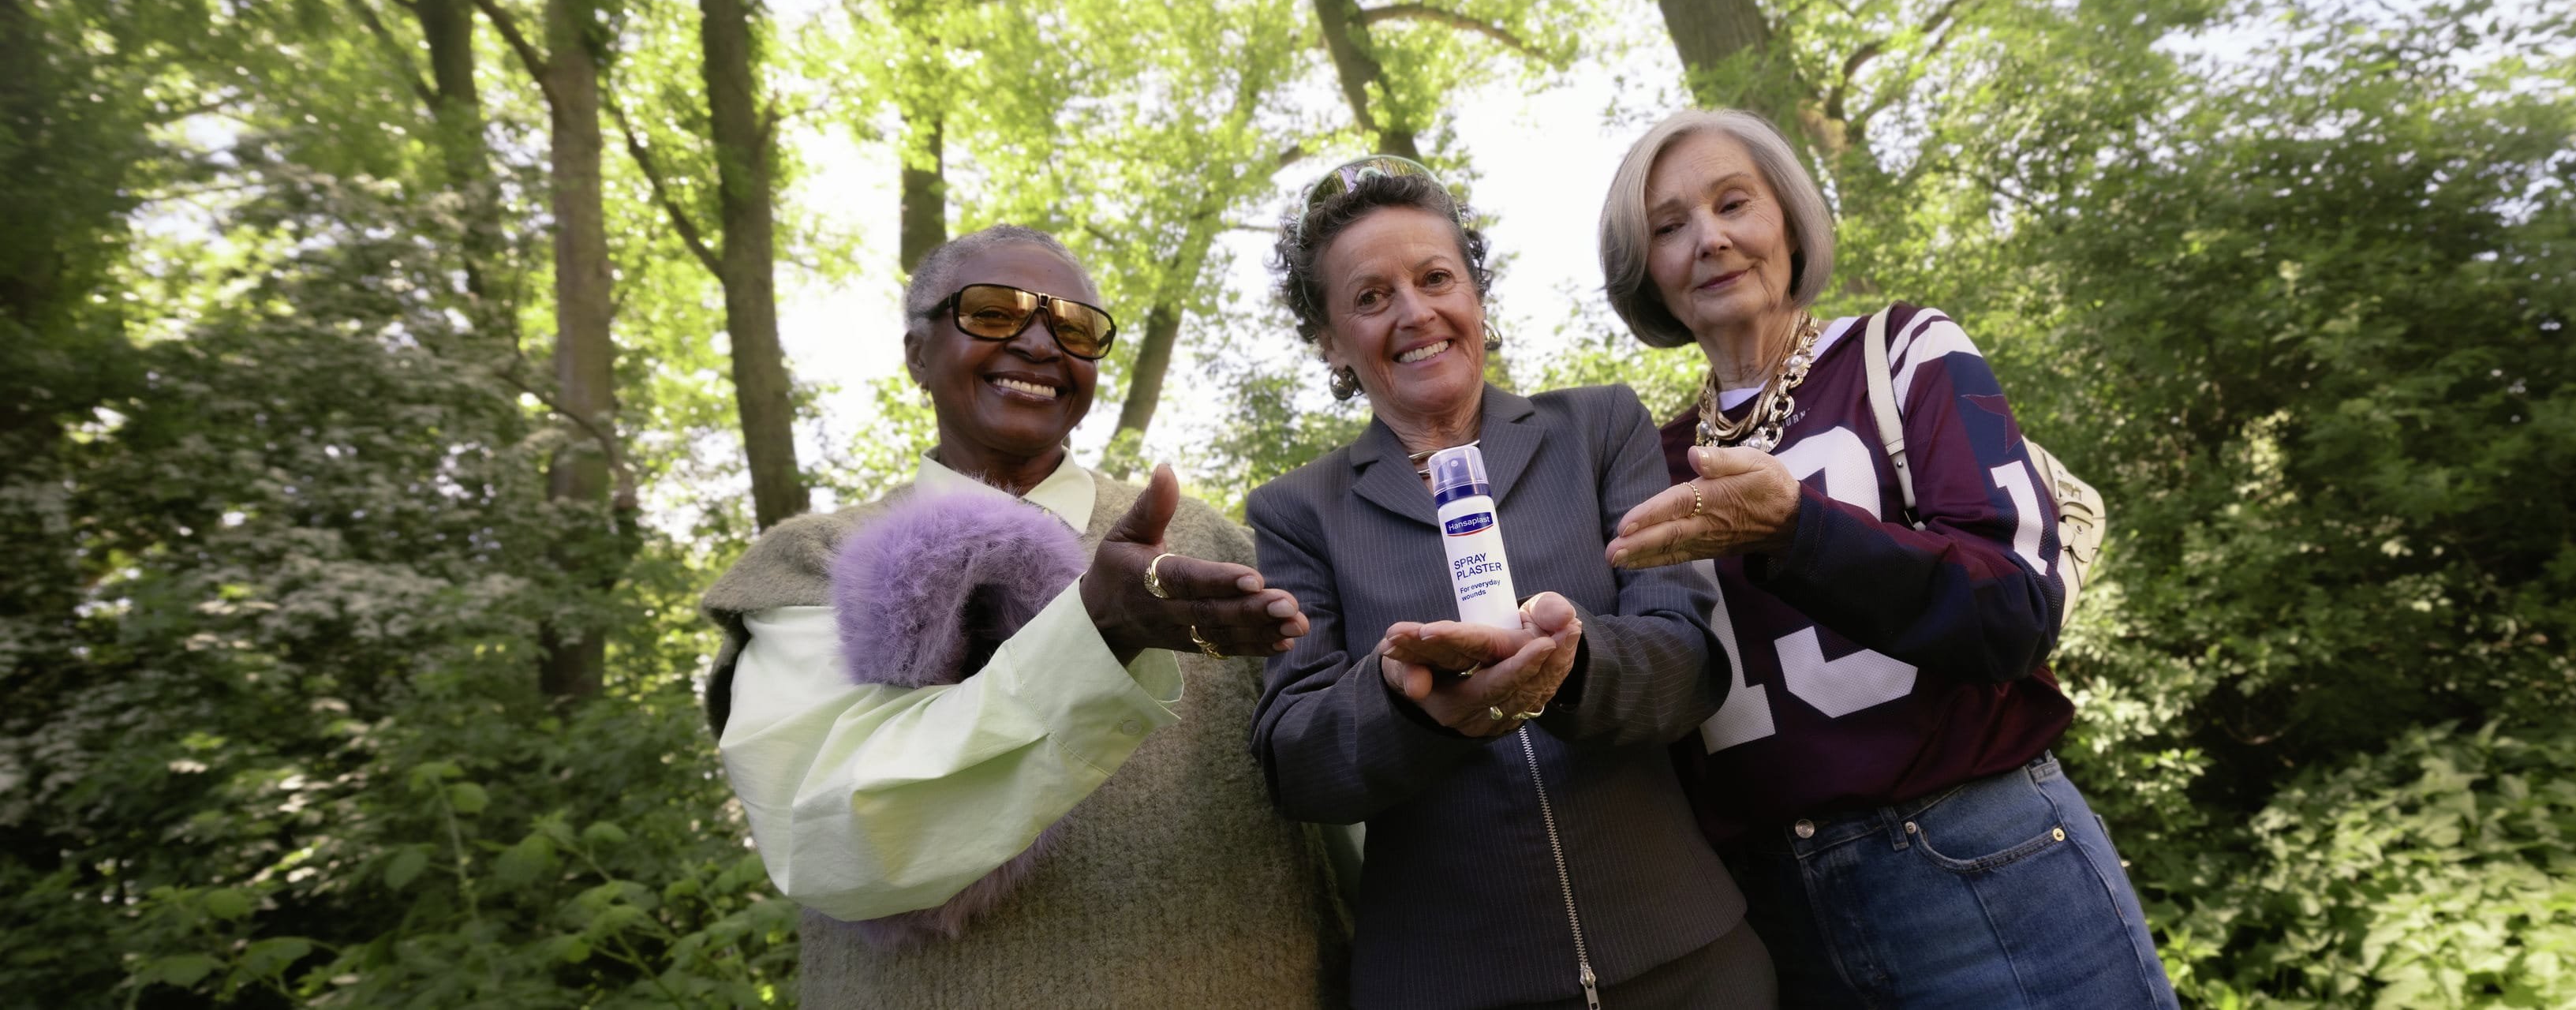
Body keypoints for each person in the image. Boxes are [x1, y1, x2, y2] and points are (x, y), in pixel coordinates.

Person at [1594, 110, 2179, 1009]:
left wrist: (1798, 528)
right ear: (1646, 273)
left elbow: (2016, 610)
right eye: (1669, 227)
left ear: (1787, 217)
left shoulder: (1905, 351)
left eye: (1732, 202)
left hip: (1984, 861)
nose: (1708, 239)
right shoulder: (1651, 461)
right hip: (1779, 914)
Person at [698, 225, 1351, 1008]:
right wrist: (1094, 634)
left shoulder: (1211, 547)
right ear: (917, 353)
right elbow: (828, 838)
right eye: (995, 312)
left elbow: (1343, 809)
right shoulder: (815, 561)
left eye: (1074, 326)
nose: (1042, 342)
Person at [1244, 157, 1775, 1009]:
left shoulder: (1599, 428)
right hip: (1453, 987)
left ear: (1476, 296)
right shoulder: (1297, 511)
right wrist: (1407, 702)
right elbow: (1295, 759)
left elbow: (1689, 656)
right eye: (1371, 298)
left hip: (1691, 960)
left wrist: (1571, 664)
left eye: (1435, 277)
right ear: (1331, 341)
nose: (1415, 312)